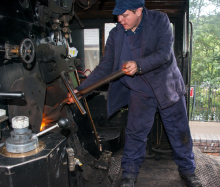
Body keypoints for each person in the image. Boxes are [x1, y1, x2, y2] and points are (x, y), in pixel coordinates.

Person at [68, 0, 202, 186]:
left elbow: (164, 54)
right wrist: (81, 89)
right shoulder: (116, 34)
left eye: (125, 15)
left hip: (167, 86)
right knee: (135, 133)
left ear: (139, 11)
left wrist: (139, 65)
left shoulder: (160, 20)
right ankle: (129, 175)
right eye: (118, 15)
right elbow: (105, 66)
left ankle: (188, 171)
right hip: (141, 90)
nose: (120, 20)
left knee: (179, 131)